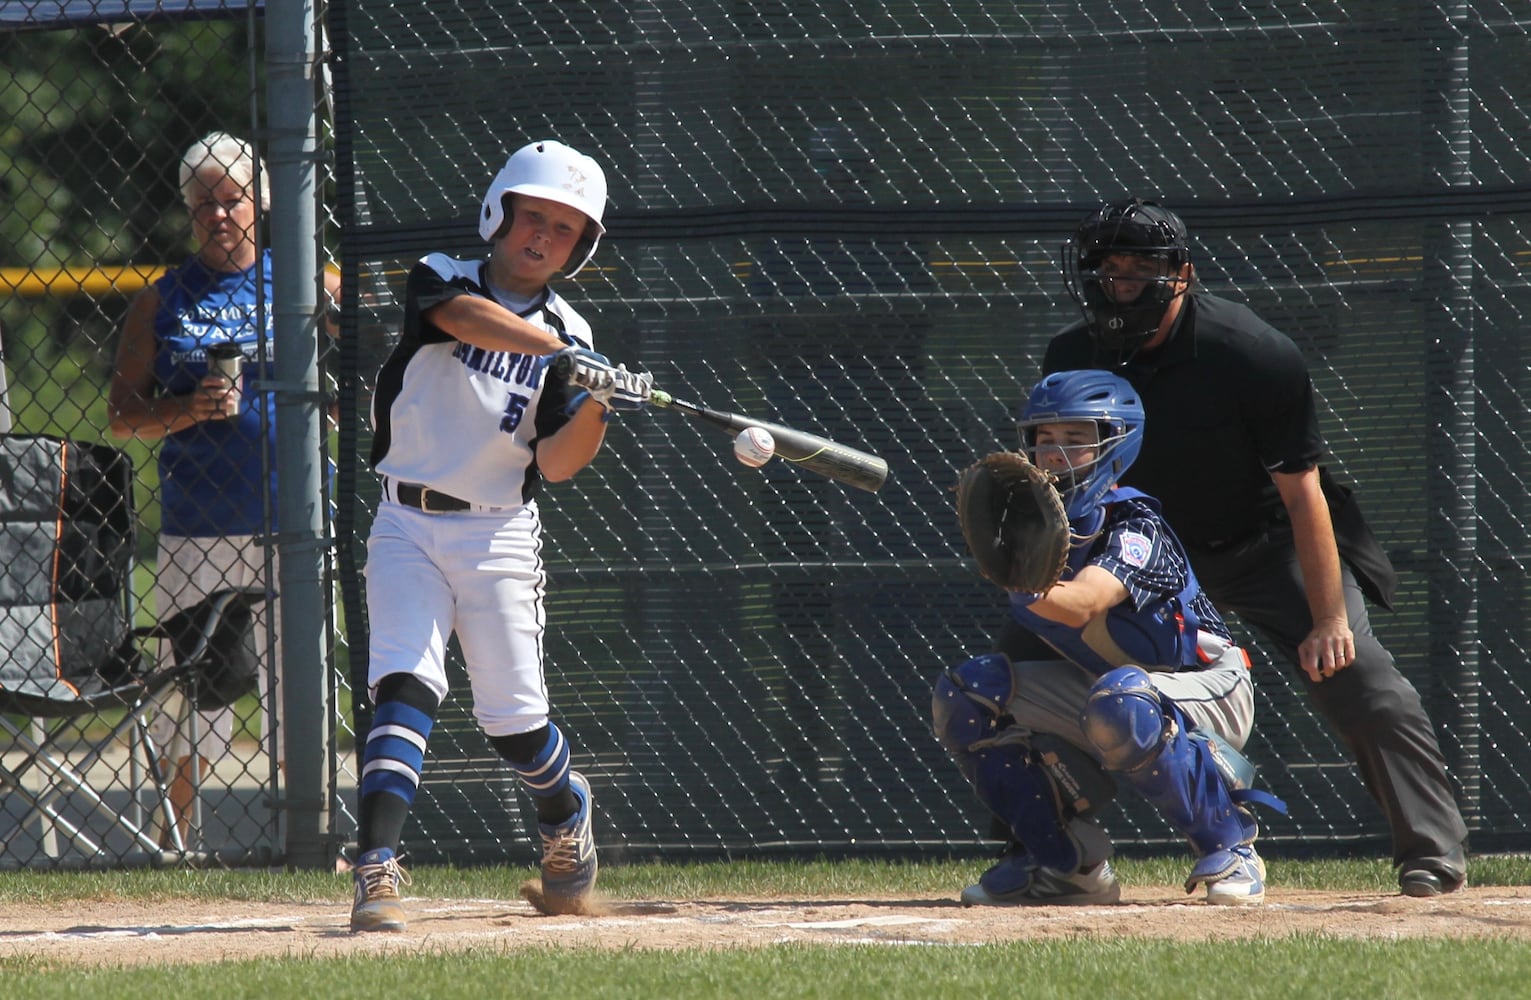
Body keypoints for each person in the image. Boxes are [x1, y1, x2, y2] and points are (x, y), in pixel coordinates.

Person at [1041, 198, 1469, 896]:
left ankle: (1431, 850)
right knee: (1014, 663)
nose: (1118, 284)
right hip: (1140, 557)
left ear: (1180, 274)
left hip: (1262, 545)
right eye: (1105, 268)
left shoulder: (1248, 352)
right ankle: (1054, 855)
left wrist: (1329, 620)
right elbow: (1064, 481)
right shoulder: (1071, 353)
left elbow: (1305, 498)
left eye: (1137, 268)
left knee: (1360, 678)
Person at [349, 138, 652, 933]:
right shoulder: (443, 276)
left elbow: (555, 466)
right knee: (403, 684)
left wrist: (598, 401)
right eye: (535, 217)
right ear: (500, 211)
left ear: (579, 248)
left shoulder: (570, 332)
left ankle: (564, 810)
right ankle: (374, 867)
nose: (543, 237)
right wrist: (569, 357)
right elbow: (460, 321)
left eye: (565, 229)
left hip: (498, 536)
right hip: (405, 522)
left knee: (513, 724)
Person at [936, 369, 1282, 906]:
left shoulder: (1134, 523)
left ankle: (1232, 845)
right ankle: (1066, 864)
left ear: (1115, 446)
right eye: (1045, 440)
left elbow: (1082, 605)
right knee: (970, 694)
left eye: (1076, 440)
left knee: (1123, 699)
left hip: (1209, 685)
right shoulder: (1031, 529)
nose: (1056, 454)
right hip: (1111, 688)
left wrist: (1009, 571)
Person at [107, 131, 341, 849]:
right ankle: (182, 841)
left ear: (260, 201)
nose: (219, 214)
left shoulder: (305, 284)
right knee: (191, 692)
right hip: (195, 524)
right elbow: (121, 417)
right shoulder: (162, 301)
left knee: (296, 687)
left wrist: (332, 386)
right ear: (188, 210)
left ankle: (311, 837)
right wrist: (186, 410)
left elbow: (351, 383)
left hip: (289, 520)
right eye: (204, 202)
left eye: (232, 199)